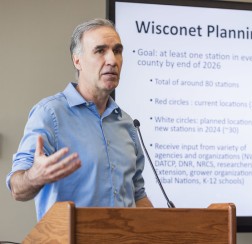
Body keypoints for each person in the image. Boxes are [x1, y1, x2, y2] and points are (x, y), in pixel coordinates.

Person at [6, 18, 153, 221]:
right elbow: (17, 188)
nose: (112, 60)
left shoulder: (125, 123)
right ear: (77, 60)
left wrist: (164, 231)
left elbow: (137, 195)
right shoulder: (50, 114)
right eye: (100, 51)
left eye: (117, 51)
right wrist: (34, 176)